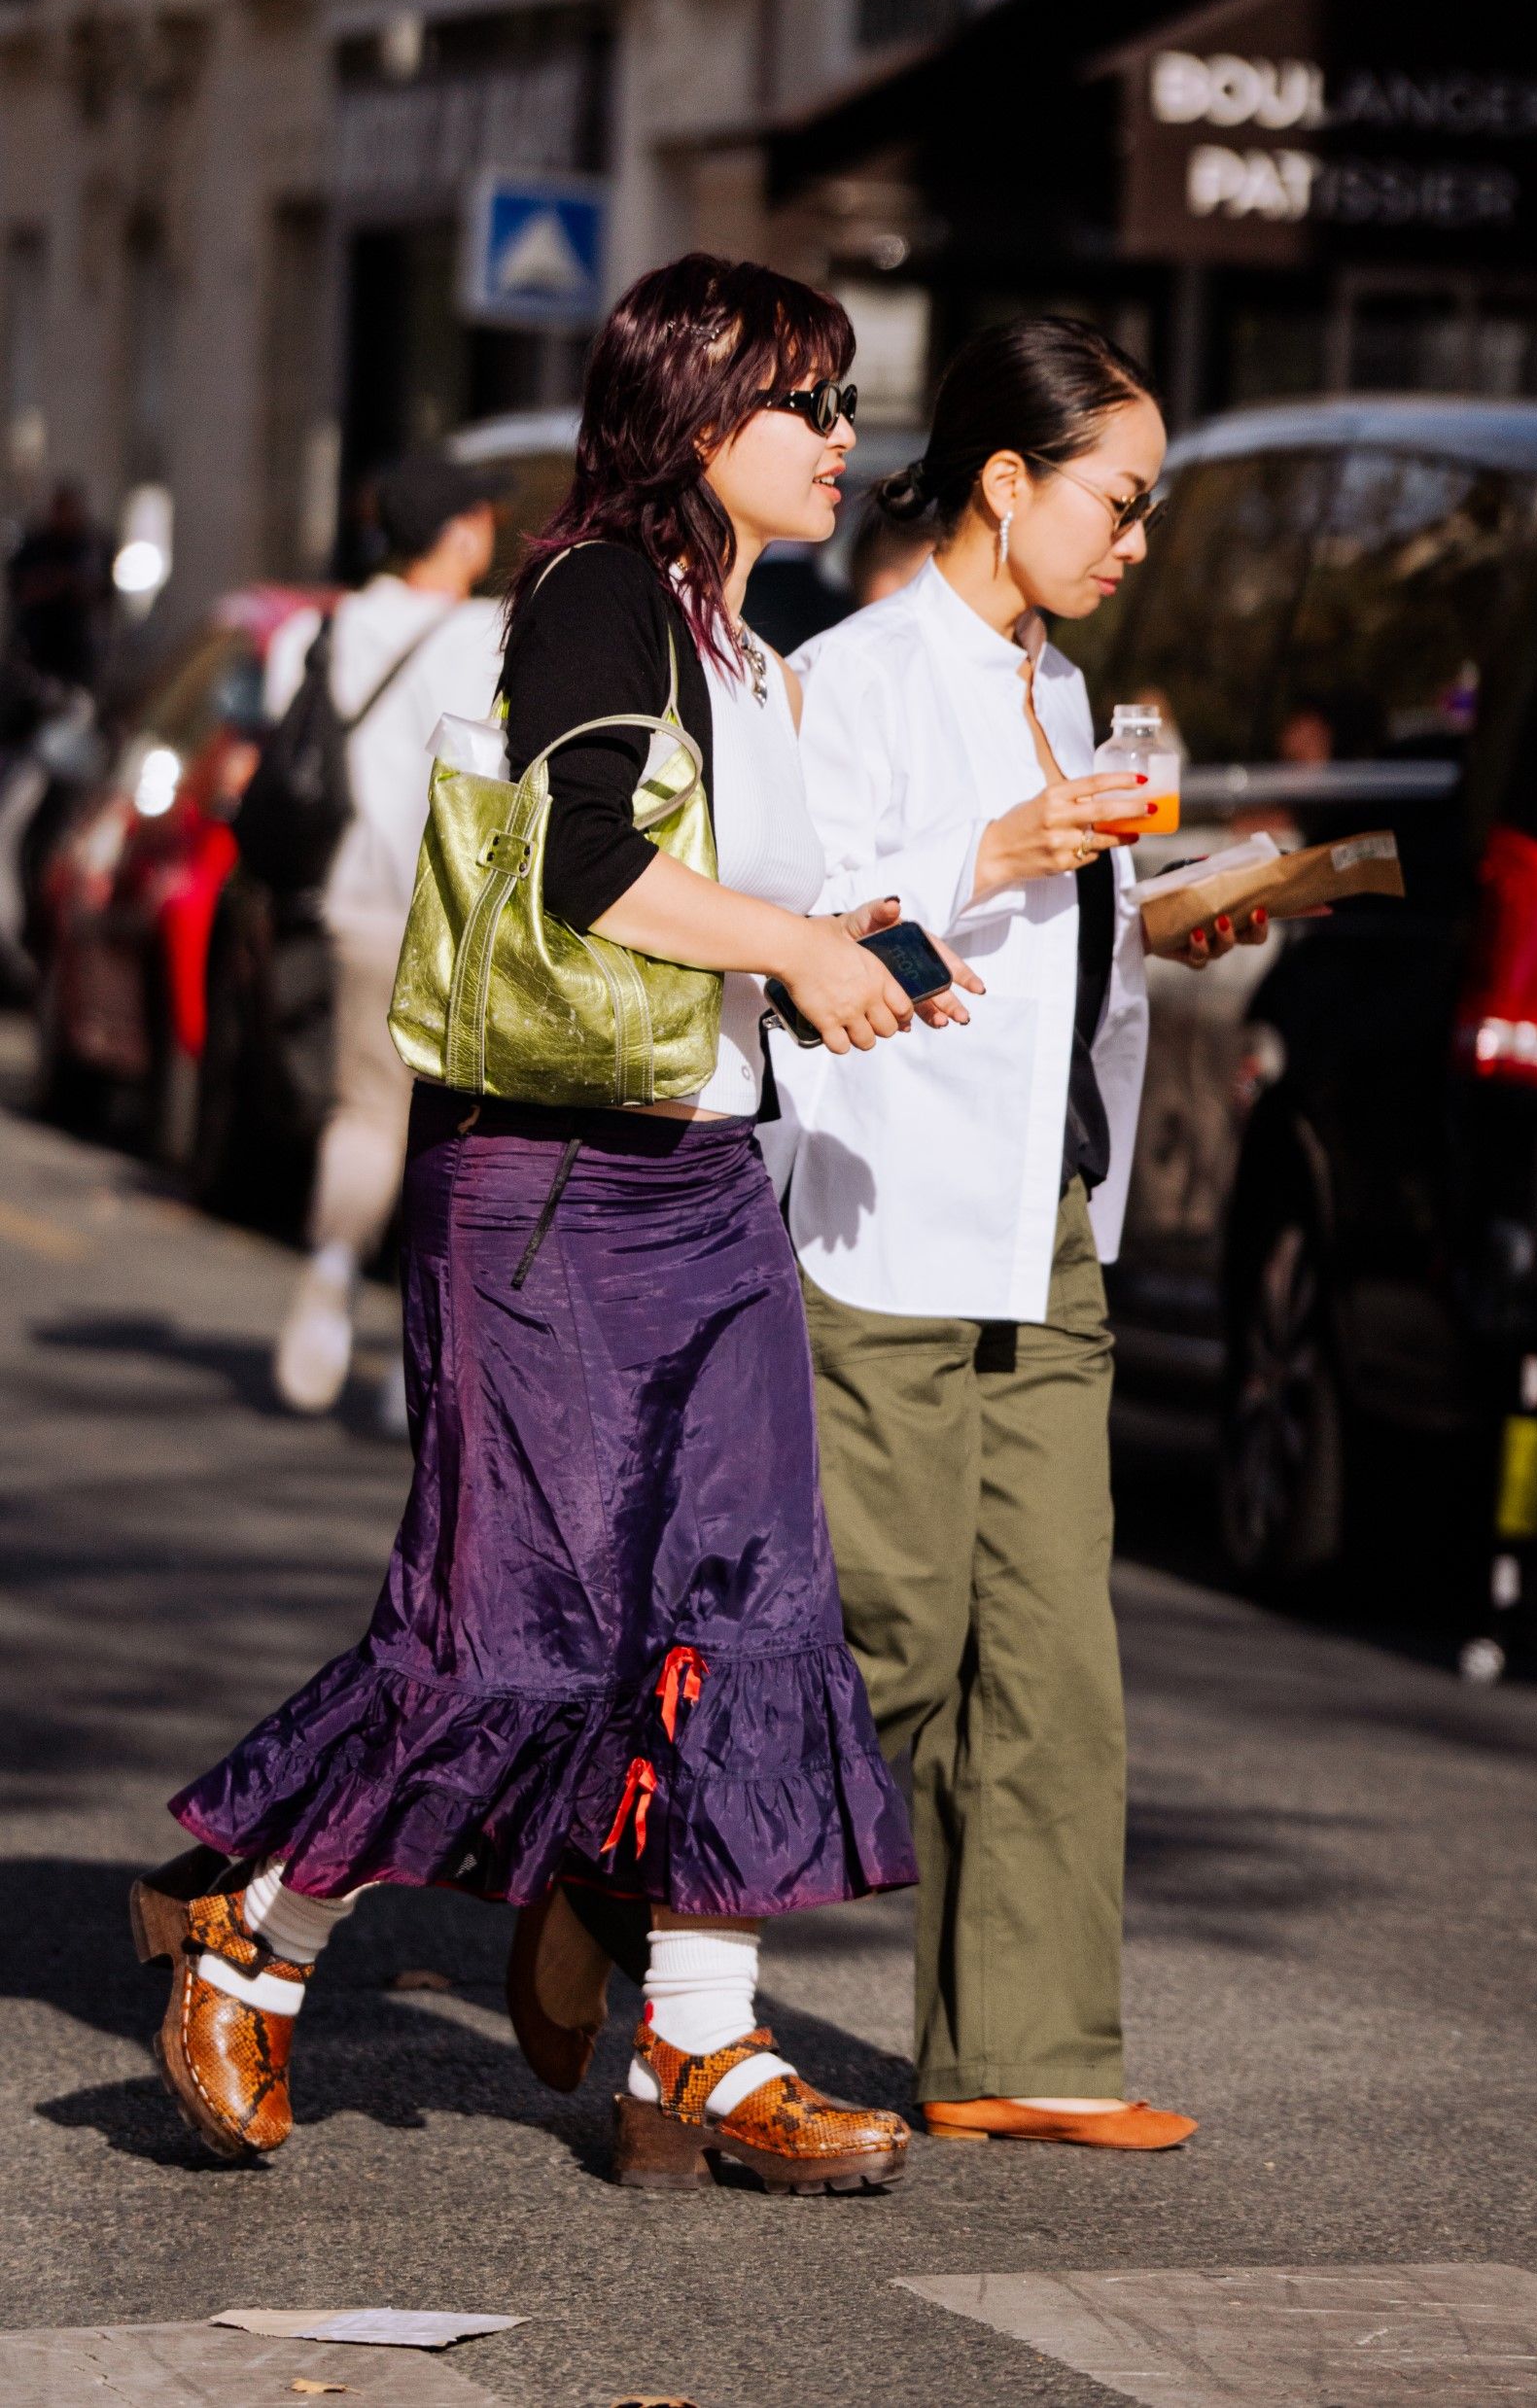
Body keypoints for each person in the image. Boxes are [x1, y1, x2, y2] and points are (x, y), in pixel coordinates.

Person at [133, 254, 977, 2194]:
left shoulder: (753, 649)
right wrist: (793, 947)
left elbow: (717, 907)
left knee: (748, 1611)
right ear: (698, 416)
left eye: (846, 403)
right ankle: (256, 1932)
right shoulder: (601, 590)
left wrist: (848, 949)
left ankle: (704, 2037)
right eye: (809, 403)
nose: (844, 439)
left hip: (707, 1188)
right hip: (551, 1194)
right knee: (509, 1625)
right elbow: (587, 861)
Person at [772, 317, 1264, 2148]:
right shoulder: (848, 679)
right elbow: (797, 937)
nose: (1137, 539)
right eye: (1118, 502)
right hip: (884, 1210)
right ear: (1005, 482)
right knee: (887, 1631)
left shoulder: (1075, 695)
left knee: (1052, 1645)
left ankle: (1024, 2044)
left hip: (1049, 1213)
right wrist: (992, 853)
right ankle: (627, 1896)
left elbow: (1063, 943)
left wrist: (1169, 912)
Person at [269, 448, 506, 1426]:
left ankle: (330, 1272)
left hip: (355, 902)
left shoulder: (320, 630)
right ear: (459, 533)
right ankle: (416, 1360)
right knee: (456, 1131)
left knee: (366, 1109)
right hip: (455, 914)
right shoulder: (488, 635)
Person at [7, 479, 112, 688]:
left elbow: (102, 593)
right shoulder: (35, 547)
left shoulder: (92, 548)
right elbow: (20, 589)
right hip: (36, 645)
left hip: (78, 649)